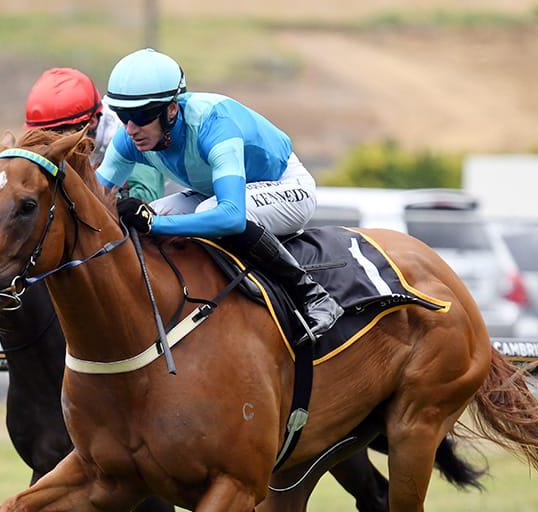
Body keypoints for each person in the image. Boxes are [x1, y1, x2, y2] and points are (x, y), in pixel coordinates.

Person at [95, 48, 342, 345]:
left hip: (286, 186)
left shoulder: (213, 123)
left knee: (193, 214)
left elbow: (231, 216)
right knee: (151, 215)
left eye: (141, 116)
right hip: (214, 190)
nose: (131, 128)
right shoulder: (129, 137)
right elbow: (94, 199)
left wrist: (153, 224)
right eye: (123, 116)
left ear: (172, 109)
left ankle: (313, 295)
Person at [23, 67, 165, 203]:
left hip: (171, 204)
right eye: (44, 135)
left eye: (58, 134)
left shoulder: (129, 133)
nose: (53, 144)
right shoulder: (88, 133)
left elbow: (147, 196)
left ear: (91, 122)